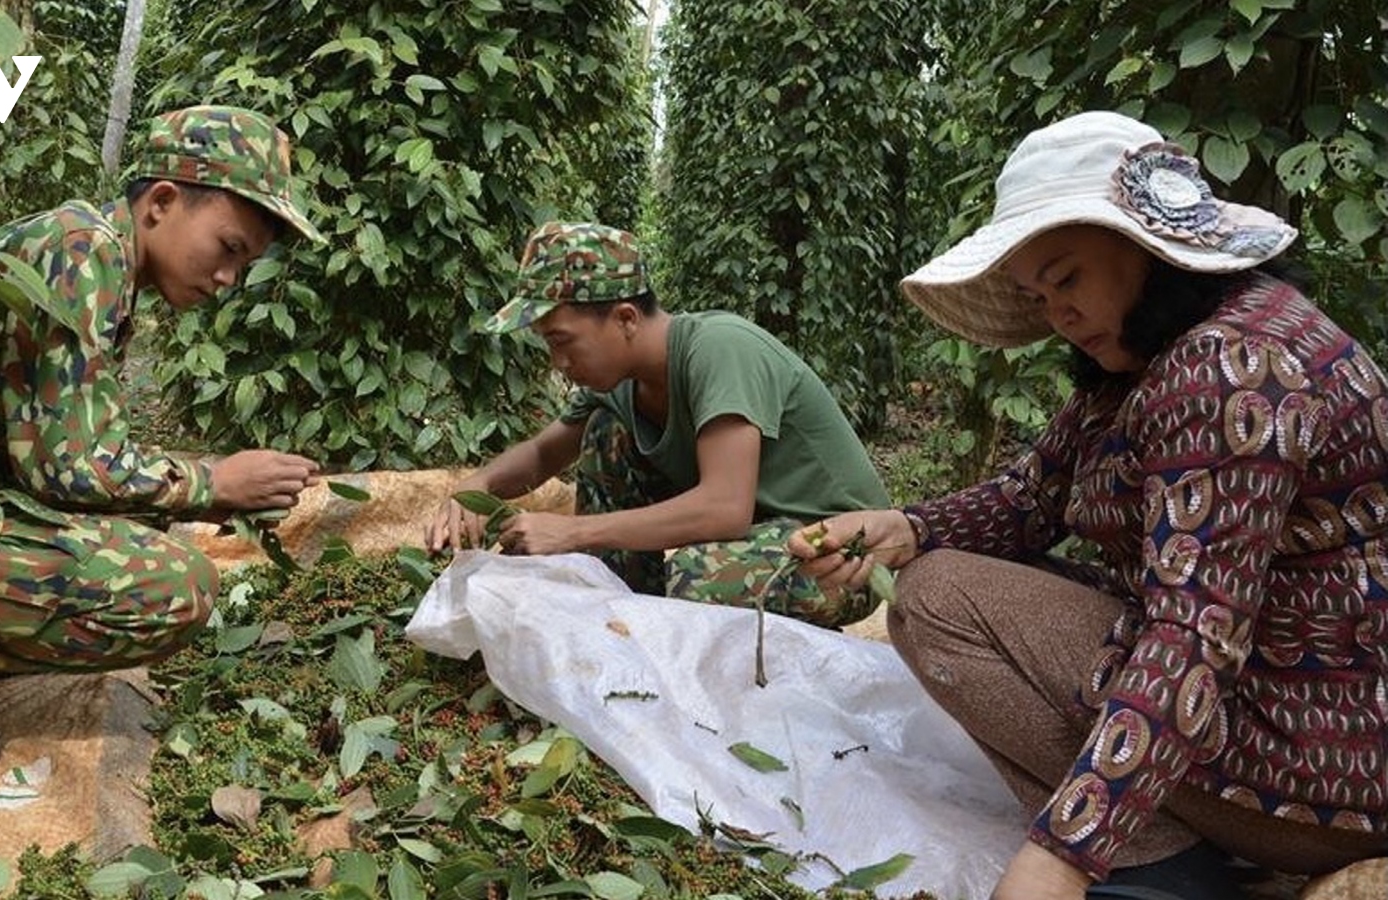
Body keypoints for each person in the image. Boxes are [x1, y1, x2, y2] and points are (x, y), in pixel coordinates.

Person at [788, 110, 1388, 899]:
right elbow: (1031, 500)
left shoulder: (1227, 369)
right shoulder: (1145, 359)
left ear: (1150, 250)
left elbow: (1196, 636)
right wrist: (907, 527)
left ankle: (1162, 868)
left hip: (1326, 768)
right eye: (1038, 297)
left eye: (1067, 278)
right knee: (937, 569)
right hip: (1301, 727)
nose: (1058, 315)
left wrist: (1065, 853)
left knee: (938, 603)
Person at [0, 105, 325, 769]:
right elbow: (72, 468)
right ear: (163, 201)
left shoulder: (96, 250)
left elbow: (60, 447)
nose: (229, 279)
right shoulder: (84, 251)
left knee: (138, 532)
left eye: (245, 263)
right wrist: (213, 482)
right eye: (229, 248)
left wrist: (186, 494)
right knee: (176, 589)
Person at [424, 220, 891, 625]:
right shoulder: (618, 385)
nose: (559, 362)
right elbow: (544, 453)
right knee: (603, 435)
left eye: (564, 341)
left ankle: (775, 662)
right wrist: (472, 490)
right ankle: (626, 620)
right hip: (758, 535)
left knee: (701, 574)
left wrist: (572, 532)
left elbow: (725, 508)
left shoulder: (720, 349)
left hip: (838, 550)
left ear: (625, 318)